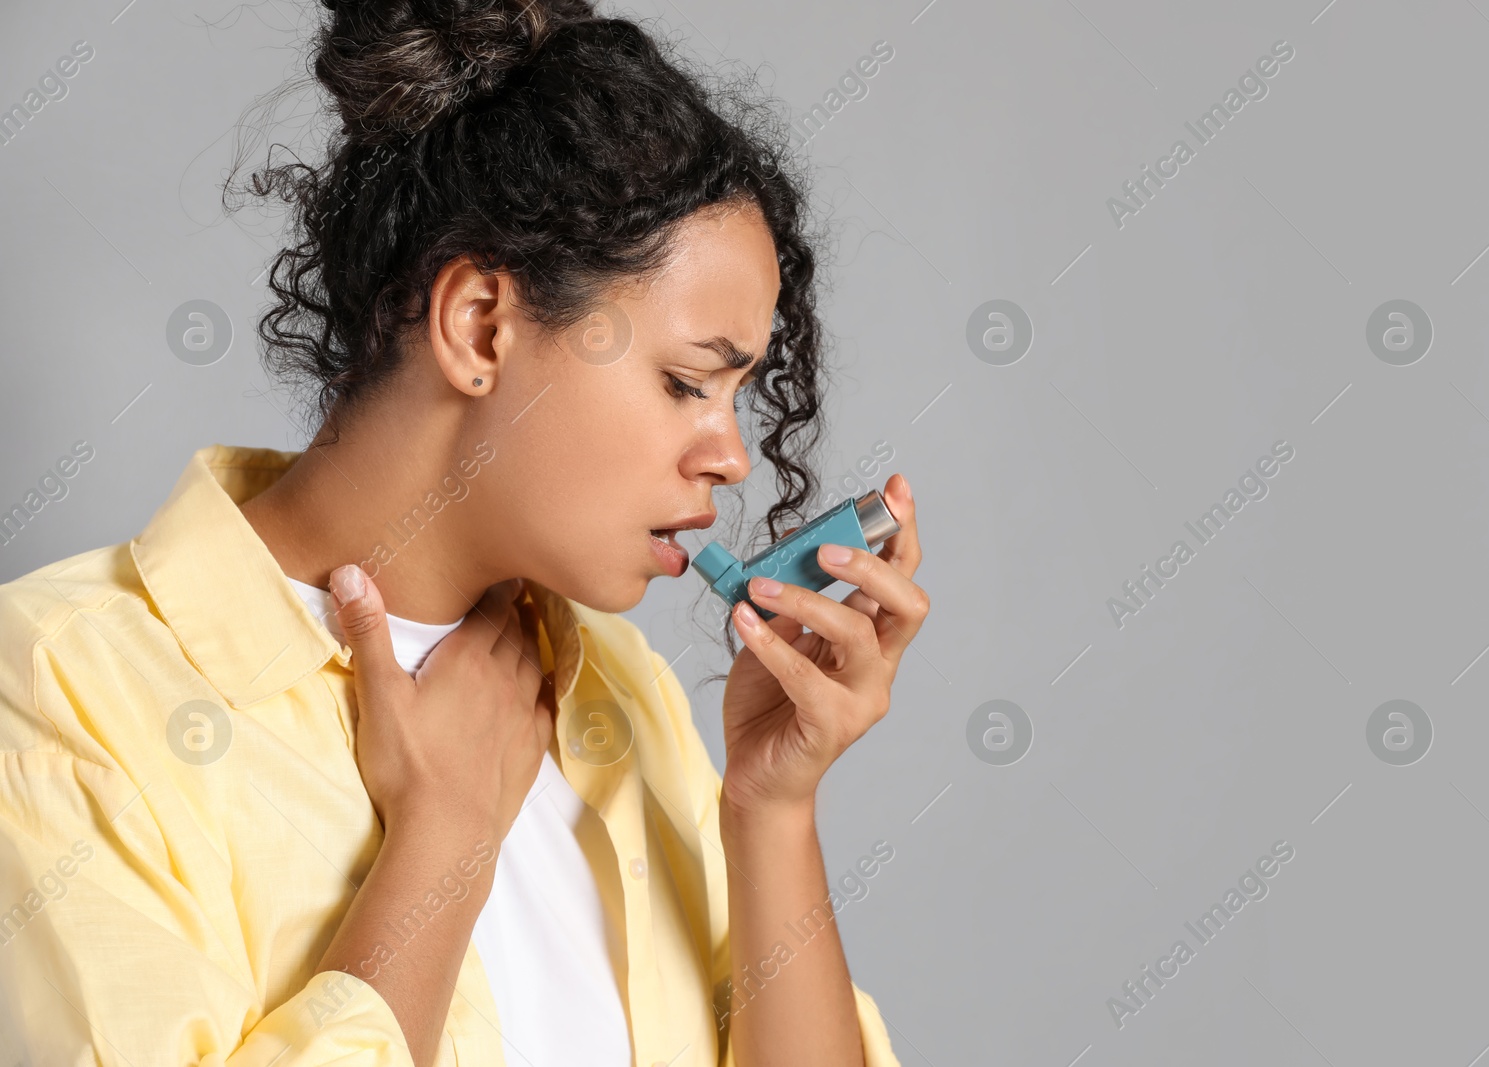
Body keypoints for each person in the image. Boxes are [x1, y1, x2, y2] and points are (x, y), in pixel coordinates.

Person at [0, 1, 930, 1065]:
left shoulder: (618, 695)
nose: (731, 455)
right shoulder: (56, 698)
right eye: (684, 381)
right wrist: (442, 842)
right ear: (479, 325)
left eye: (736, 396)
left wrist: (772, 810)